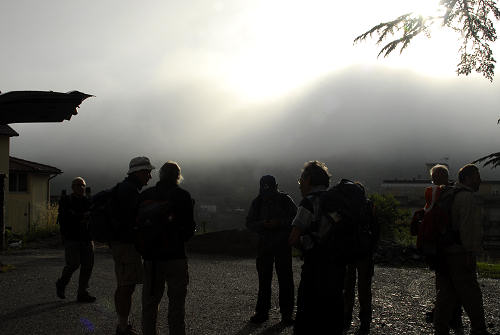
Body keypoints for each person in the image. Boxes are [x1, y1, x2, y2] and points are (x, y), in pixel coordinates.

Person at [288, 160, 345, 335]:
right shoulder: (338, 201)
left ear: (309, 180)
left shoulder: (309, 202)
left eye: (301, 181)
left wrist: (305, 245)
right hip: (337, 265)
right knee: (331, 313)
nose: (299, 186)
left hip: (315, 266)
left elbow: (293, 238)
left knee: (307, 313)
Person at [139, 161, 195, 335]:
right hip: (176, 256)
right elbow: (189, 228)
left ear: (160, 175)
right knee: (176, 304)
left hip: (152, 258)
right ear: (178, 176)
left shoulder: (147, 194)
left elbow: (138, 225)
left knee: (150, 304)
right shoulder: (183, 196)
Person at [433, 164, 490, 335]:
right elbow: (468, 228)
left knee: (445, 294)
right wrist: (470, 253)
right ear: (467, 178)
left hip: (444, 252)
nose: (480, 180)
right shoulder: (467, 197)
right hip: (460, 253)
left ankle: (440, 329)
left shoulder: (449, 194)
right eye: (477, 176)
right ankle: (479, 329)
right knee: (471, 294)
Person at [111, 156, 155, 335]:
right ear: (139, 172)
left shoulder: (124, 188)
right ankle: (122, 327)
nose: (150, 177)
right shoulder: (129, 192)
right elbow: (132, 221)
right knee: (126, 285)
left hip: (121, 244)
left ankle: (123, 324)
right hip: (125, 245)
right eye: (148, 172)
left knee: (125, 284)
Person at [246, 175, 297, 325]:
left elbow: (295, 220)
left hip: (281, 245)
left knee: (285, 280)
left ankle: (285, 314)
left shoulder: (284, 200)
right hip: (265, 246)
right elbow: (249, 223)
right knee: (265, 280)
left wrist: (278, 223)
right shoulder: (258, 201)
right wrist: (264, 224)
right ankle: (263, 313)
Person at [422, 165, 464, 333]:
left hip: (444, 246)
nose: (435, 180)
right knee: (452, 285)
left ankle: (445, 321)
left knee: (446, 286)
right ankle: (452, 319)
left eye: (436, 177)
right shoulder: (453, 192)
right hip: (449, 245)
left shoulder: (438, 194)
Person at [343, 182, 379, 335]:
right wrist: (373, 248)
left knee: (347, 288)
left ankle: (345, 320)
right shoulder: (368, 205)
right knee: (365, 288)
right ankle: (365, 321)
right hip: (365, 251)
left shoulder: (344, 204)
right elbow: (375, 227)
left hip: (348, 251)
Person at [56, 177, 96, 303]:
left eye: (83, 185)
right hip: (72, 237)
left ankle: (82, 293)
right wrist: (82, 216)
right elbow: (66, 217)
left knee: (88, 265)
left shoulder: (87, 201)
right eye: (78, 185)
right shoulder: (66, 200)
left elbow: (92, 215)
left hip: (86, 237)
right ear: (73, 187)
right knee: (73, 264)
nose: (81, 187)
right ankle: (62, 283)